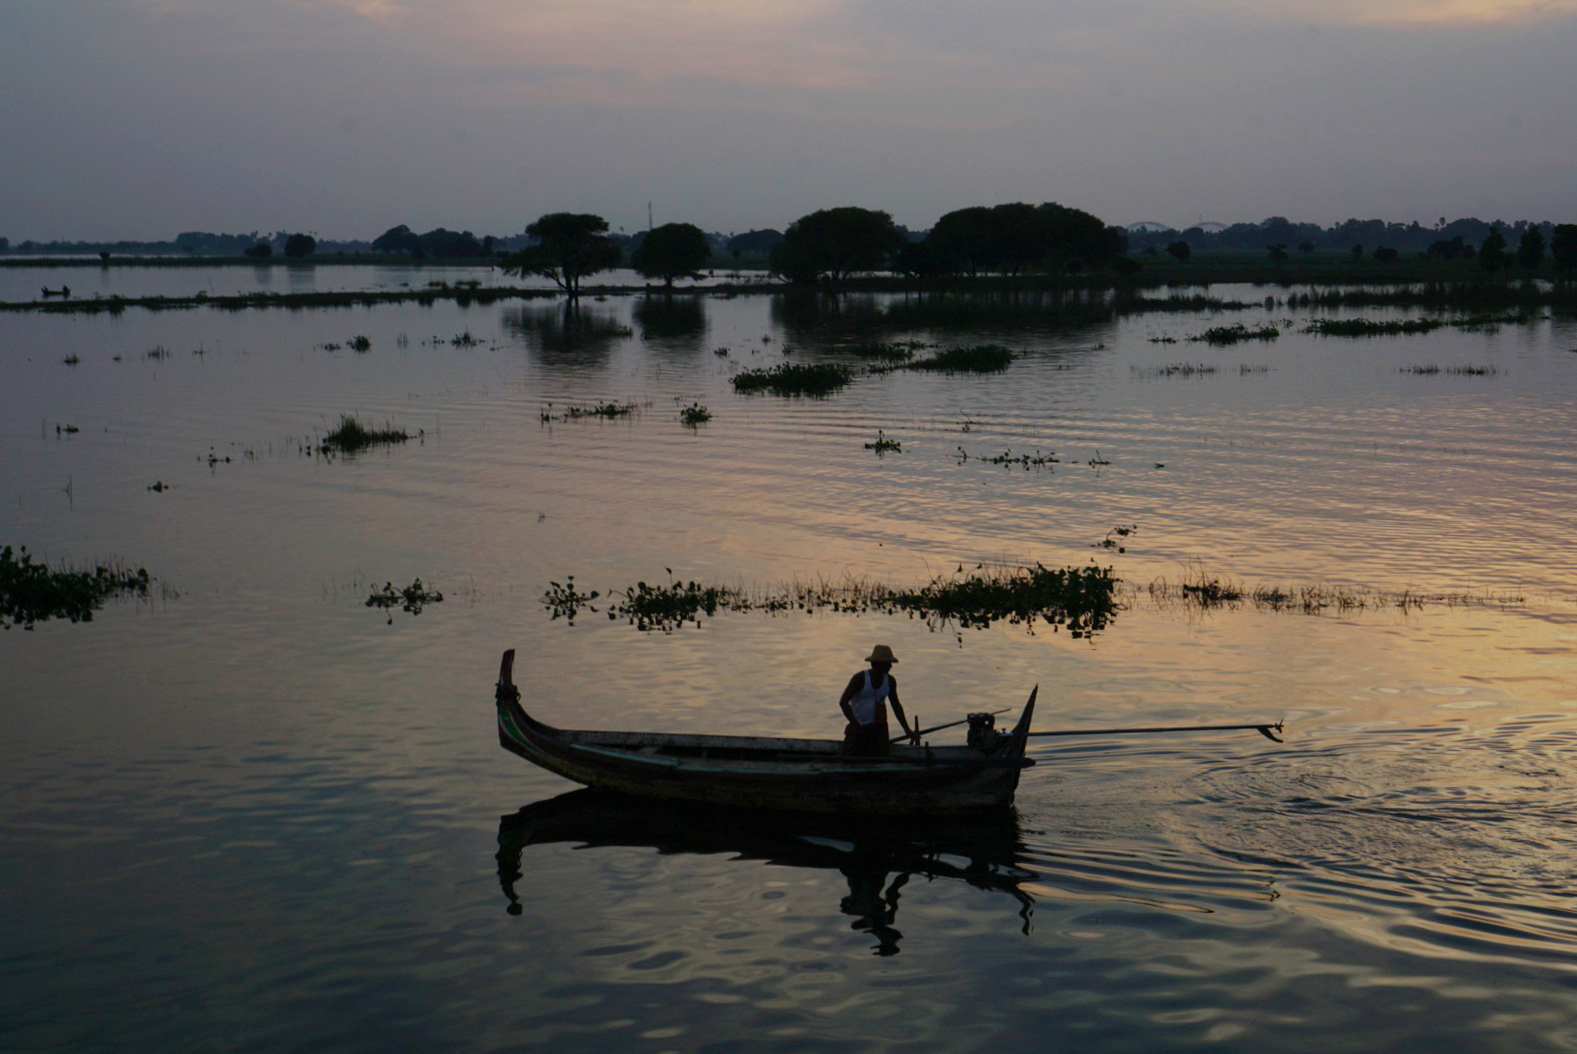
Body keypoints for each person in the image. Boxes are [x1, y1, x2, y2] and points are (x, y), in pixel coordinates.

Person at [838, 645, 918, 755]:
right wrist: (856, 725)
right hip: (858, 729)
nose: (890, 666)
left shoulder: (890, 681)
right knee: (850, 758)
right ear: (877, 664)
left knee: (882, 758)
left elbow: (896, 706)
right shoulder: (860, 679)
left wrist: (907, 730)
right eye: (887, 663)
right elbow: (843, 702)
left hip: (880, 730)